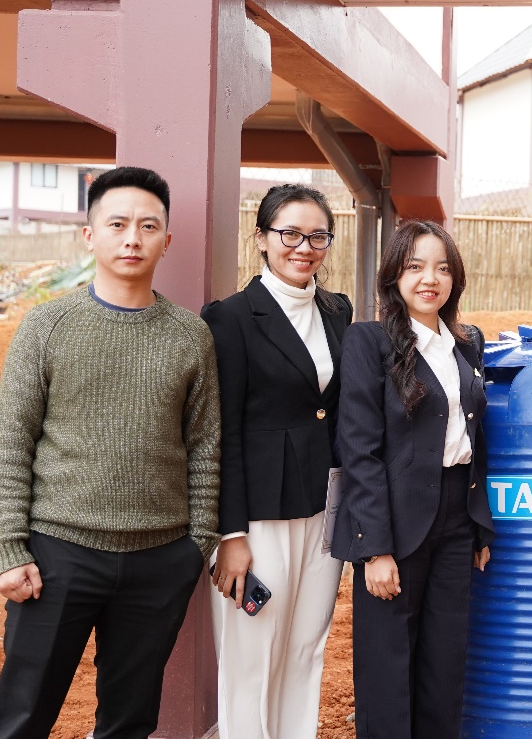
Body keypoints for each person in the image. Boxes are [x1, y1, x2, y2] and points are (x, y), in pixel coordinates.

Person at [0, 166, 220, 739]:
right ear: (89, 234)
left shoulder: (190, 336)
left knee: (129, 721)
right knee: (21, 714)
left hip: (160, 560)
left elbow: (205, 446)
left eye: (147, 225)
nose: (132, 237)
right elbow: (12, 441)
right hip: (57, 555)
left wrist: (198, 543)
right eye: (117, 223)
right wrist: (8, 548)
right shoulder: (47, 325)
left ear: (168, 238)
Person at [330, 220, 493, 739]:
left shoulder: (467, 344)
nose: (431, 279)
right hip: (393, 522)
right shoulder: (368, 341)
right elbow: (359, 449)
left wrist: (478, 526)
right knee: (388, 669)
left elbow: (475, 438)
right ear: (395, 276)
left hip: (455, 520)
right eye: (416, 266)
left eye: (443, 268)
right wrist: (374, 548)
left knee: (445, 666)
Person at [202, 184, 353, 739]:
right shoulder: (232, 318)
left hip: (322, 506)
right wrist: (230, 535)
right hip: (258, 515)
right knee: (251, 653)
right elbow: (223, 432)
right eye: (290, 233)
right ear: (263, 238)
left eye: (318, 235)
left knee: (307, 645)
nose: (304, 246)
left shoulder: (338, 312)